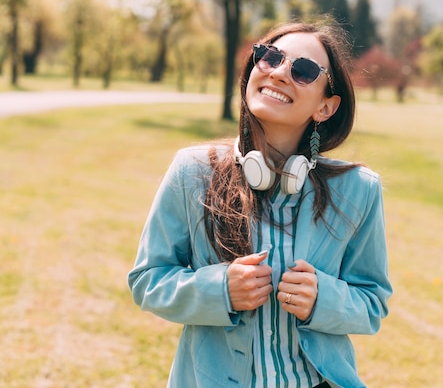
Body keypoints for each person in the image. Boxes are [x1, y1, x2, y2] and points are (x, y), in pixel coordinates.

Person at [128, 19, 392, 388]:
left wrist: (324, 298)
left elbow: (373, 303)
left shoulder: (359, 189)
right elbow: (148, 280)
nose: (281, 72)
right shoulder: (192, 171)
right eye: (270, 58)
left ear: (326, 108)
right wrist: (220, 289)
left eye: (303, 71)